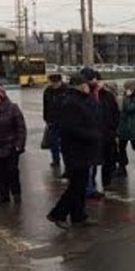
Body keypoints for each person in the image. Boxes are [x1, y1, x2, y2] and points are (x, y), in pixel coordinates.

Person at [47, 74, 100, 229]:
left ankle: (79, 216)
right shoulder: (70, 102)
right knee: (76, 185)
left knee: (81, 184)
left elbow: (93, 114)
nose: (88, 86)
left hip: (83, 149)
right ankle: (58, 213)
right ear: (79, 85)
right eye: (85, 84)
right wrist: (93, 135)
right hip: (75, 150)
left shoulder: (82, 99)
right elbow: (71, 128)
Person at [42, 73, 68, 168]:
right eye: (51, 83)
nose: (53, 85)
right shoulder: (48, 91)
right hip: (52, 120)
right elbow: (45, 105)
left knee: (65, 143)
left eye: (55, 83)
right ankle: (55, 159)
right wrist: (46, 118)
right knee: (53, 142)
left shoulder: (66, 90)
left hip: (64, 121)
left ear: (60, 81)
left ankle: (67, 161)